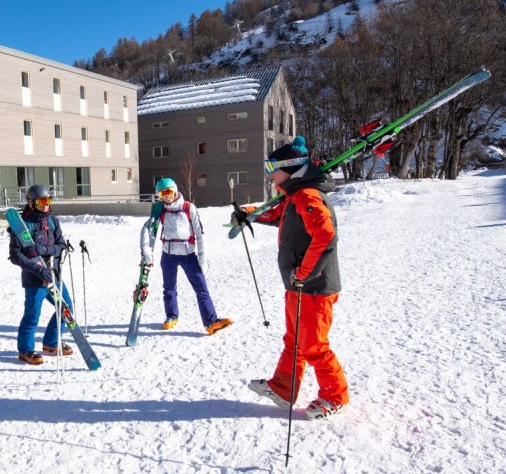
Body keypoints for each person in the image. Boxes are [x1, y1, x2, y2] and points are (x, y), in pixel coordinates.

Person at [235, 137, 349, 420]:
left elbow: (325, 236)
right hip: (298, 285)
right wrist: (249, 214)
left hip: (312, 286)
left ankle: (334, 395)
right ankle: (283, 388)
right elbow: (279, 215)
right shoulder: (295, 196)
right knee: (295, 340)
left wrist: (303, 273)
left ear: (291, 167)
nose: (270, 173)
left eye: (272, 167)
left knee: (313, 345)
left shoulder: (308, 195)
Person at [140, 178, 232, 335]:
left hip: (188, 254)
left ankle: (211, 322)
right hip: (168, 255)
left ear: (175, 191)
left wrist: (202, 257)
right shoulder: (160, 210)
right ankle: (171, 316)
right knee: (169, 288)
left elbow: (200, 234)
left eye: (169, 191)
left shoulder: (189, 208)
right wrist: (146, 249)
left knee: (201, 288)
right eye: (162, 193)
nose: (166, 196)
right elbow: (149, 230)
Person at [8, 184, 73, 365]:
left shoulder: (53, 221)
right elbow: (15, 255)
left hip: (54, 276)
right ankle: (25, 350)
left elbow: (61, 246)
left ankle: (51, 343)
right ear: (30, 202)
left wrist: (45, 249)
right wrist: (37, 268)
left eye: (48, 200)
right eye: (41, 201)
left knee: (66, 309)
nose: (46, 205)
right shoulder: (21, 225)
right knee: (32, 315)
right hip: (34, 280)